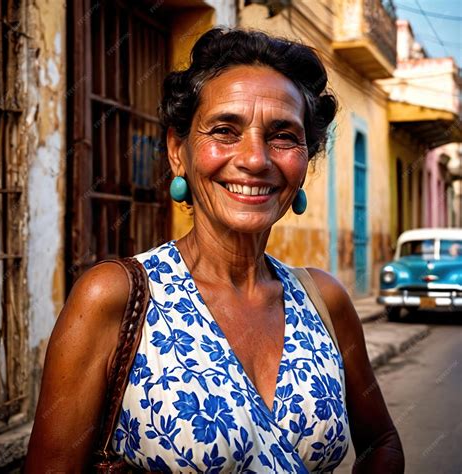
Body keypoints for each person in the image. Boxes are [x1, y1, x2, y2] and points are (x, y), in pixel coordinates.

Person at [25, 28, 404, 472]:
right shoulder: (114, 298)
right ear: (177, 152)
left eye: (283, 136)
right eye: (225, 130)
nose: (256, 159)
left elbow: (382, 440)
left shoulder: (324, 301)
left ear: (304, 161)